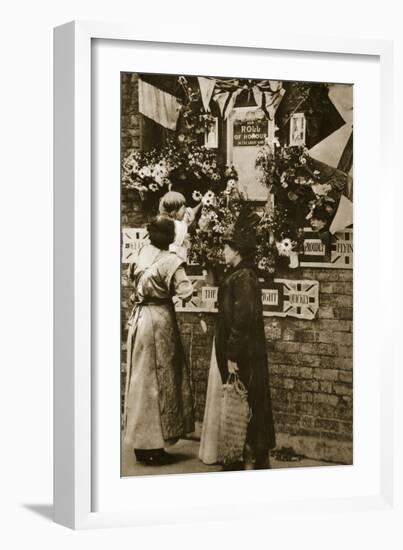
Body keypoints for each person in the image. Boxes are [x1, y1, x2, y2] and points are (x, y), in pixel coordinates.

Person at [199, 209, 276, 470]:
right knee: (243, 400)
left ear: (238, 250)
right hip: (241, 352)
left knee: (245, 402)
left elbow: (241, 321)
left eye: (227, 248)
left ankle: (249, 458)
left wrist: (232, 355)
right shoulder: (239, 275)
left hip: (244, 354)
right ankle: (244, 456)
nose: (223, 252)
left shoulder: (244, 278)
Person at [123, 215, 195, 466]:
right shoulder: (172, 261)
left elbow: (130, 277)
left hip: (140, 319)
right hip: (159, 321)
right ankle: (152, 445)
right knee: (158, 382)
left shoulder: (141, 253)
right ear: (171, 238)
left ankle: (140, 443)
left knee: (140, 380)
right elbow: (186, 292)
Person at [159, 191, 202, 260]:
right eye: (183, 208)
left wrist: (201, 204)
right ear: (174, 211)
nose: (185, 211)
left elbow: (190, 212)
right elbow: (189, 215)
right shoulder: (178, 226)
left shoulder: (165, 222)